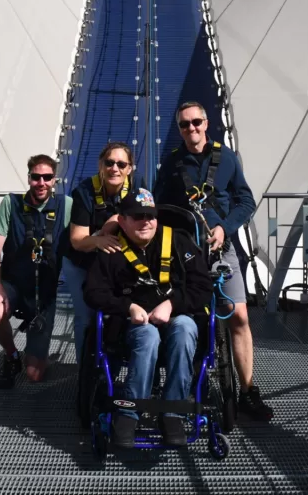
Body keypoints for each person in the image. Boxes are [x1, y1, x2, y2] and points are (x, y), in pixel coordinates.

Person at [153, 101, 274, 421]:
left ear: (206, 124)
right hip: (186, 255)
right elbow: (158, 207)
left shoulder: (227, 158)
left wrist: (225, 227)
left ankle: (248, 391)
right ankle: (192, 383)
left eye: (195, 122)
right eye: (184, 125)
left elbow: (245, 200)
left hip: (222, 250)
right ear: (179, 129)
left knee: (239, 319)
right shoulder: (172, 164)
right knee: (190, 318)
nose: (191, 129)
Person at [84, 188, 212, 448]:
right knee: (148, 335)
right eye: (137, 216)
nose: (146, 221)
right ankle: (129, 413)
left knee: (186, 327)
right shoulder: (111, 250)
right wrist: (127, 306)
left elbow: (203, 287)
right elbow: (93, 292)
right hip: (133, 327)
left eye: (150, 216)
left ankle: (173, 412)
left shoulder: (179, 241)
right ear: (122, 220)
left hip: (176, 320)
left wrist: (172, 303)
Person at [0, 154, 72, 389]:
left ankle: (35, 354)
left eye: (47, 177)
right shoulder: (11, 204)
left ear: (54, 180)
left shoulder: (66, 206)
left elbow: (83, 238)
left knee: (34, 374)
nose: (41, 182)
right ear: (29, 178)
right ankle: (12, 355)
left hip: (44, 294)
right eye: (36, 177)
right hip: (14, 284)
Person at [66, 142, 138, 362]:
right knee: (86, 318)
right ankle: (83, 371)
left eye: (121, 164)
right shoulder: (85, 192)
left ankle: (115, 362)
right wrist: (99, 240)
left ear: (129, 169)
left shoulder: (137, 190)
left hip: (114, 263)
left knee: (122, 311)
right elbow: (78, 241)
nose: (114, 168)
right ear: (100, 165)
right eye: (109, 162)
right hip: (81, 260)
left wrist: (116, 220)